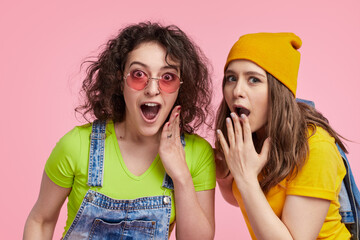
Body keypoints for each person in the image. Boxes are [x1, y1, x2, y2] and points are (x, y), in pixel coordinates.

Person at [23, 22, 215, 240]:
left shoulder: (197, 154)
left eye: (167, 77)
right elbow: (41, 220)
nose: (152, 90)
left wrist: (181, 177)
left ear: (182, 85)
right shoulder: (76, 145)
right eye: (139, 75)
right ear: (119, 80)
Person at [215, 32, 351, 239]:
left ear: (279, 89)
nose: (237, 90)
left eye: (254, 80)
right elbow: (242, 198)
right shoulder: (250, 137)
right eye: (231, 78)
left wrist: (245, 177)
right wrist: (226, 176)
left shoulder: (316, 147)